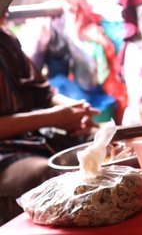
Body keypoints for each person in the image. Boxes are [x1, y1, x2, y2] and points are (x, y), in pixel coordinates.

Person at [0, 20, 98, 224]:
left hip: (33, 135)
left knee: (103, 139)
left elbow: (43, 93)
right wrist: (54, 118)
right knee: (48, 175)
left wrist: (77, 110)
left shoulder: (5, 40)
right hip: (5, 153)